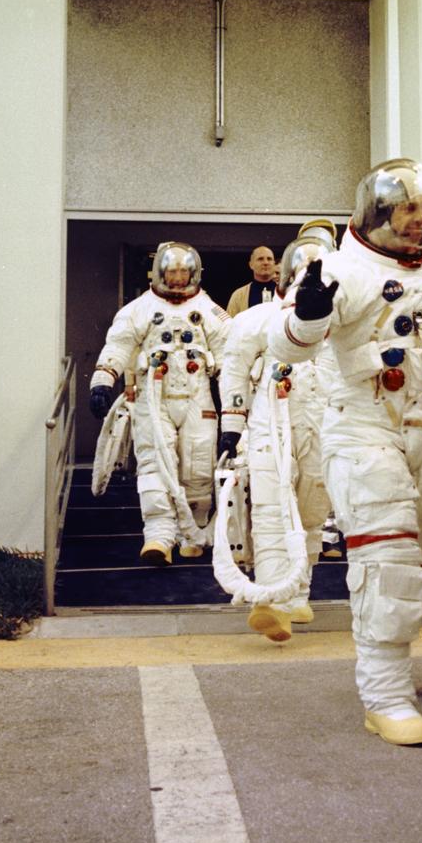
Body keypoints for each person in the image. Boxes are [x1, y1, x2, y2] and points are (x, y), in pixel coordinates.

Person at [268, 158, 422, 746]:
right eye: (407, 208)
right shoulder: (338, 271)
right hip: (365, 431)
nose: (419, 219)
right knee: (386, 563)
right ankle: (387, 698)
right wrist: (309, 314)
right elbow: (286, 348)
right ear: (380, 212)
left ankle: (405, 664)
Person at [217, 236, 333, 642]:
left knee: (312, 507)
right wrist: (232, 424)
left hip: (323, 421)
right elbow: (234, 368)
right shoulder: (257, 319)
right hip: (271, 420)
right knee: (269, 507)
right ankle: (271, 602)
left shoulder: (342, 321)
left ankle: (299, 592)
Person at [88, 242, 230, 566]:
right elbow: (118, 345)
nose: (178, 278)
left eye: (183, 272)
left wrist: (236, 396)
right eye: (172, 272)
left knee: (197, 463)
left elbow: (229, 353)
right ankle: (159, 536)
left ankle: (193, 532)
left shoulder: (210, 311)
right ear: (160, 273)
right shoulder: (138, 310)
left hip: (197, 397)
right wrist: (102, 382)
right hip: (153, 399)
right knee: (153, 462)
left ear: (194, 274)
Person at [227, 246, 278, 316]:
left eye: (269, 259)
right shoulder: (238, 295)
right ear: (251, 265)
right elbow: (230, 321)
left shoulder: (286, 293)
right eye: (260, 259)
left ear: (274, 264)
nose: (266, 262)